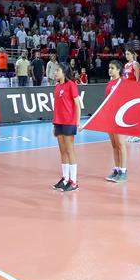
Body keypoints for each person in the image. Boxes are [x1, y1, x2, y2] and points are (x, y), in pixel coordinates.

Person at [50, 61, 82, 193]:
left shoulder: (71, 85)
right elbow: (57, 107)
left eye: (57, 70)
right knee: (62, 151)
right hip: (58, 122)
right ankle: (65, 179)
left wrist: (77, 122)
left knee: (69, 151)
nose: (55, 72)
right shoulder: (57, 86)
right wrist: (54, 124)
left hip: (69, 122)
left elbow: (77, 105)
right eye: (55, 70)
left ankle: (73, 181)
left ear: (64, 72)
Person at [103, 60, 128, 183]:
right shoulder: (110, 82)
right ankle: (117, 169)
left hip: (119, 117)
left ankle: (123, 170)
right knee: (114, 144)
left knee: (120, 144)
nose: (110, 70)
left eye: (112, 68)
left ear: (118, 70)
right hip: (110, 116)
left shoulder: (123, 82)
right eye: (109, 68)